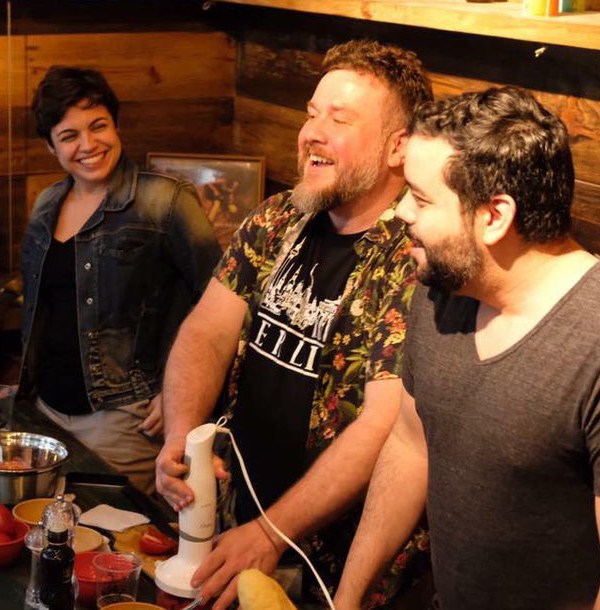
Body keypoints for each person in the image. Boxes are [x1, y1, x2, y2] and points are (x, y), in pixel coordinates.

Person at [336, 87, 600, 610]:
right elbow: (411, 446)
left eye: (422, 197)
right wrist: (344, 600)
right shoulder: (444, 287)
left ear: (494, 216)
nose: (399, 212)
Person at [156, 40, 433, 608]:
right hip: (240, 524)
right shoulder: (281, 217)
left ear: (397, 147)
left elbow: (382, 427)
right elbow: (208, 327)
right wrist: (181, 433)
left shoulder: (414, 254)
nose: (313, 131)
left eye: (340, 118)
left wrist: (271, 532)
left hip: (338, 566)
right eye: (311, 113)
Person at [20, 66, 221, 495]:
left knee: (114, 543)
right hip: (46, 410)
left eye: (99, 126)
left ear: (117, 125)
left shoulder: (165, 200)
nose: (89, 145)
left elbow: (220, 304)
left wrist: (177, 391)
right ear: (51, 147)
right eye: (69, 135)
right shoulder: (46, 204)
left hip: (124, 416)